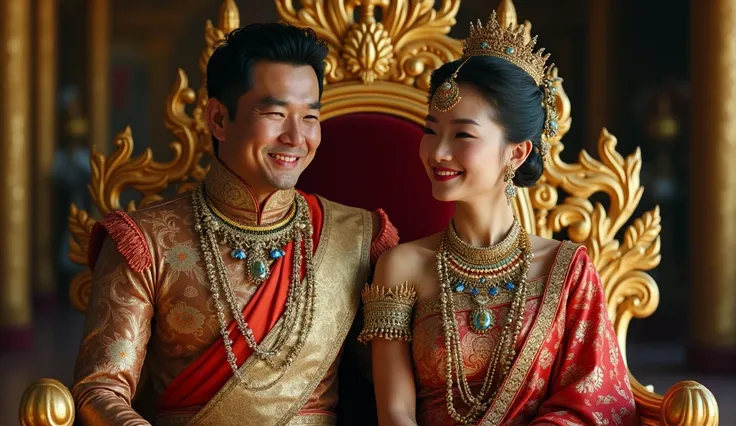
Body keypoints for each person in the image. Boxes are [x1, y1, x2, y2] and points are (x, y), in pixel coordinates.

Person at [72, 23, 398, 425]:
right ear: (219, 118)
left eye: (310, 117)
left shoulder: (358, 237)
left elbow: (395, 383)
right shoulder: (146, 241)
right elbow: (99, 388)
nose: (296, 137)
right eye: (275, 113)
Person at [359, 13, 638, 426]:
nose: (437, 152)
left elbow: (595, 402)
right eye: (431, 130)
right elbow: (396, 414)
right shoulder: (400, 267)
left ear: (516, 152)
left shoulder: (567, 270)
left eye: (463, 135)